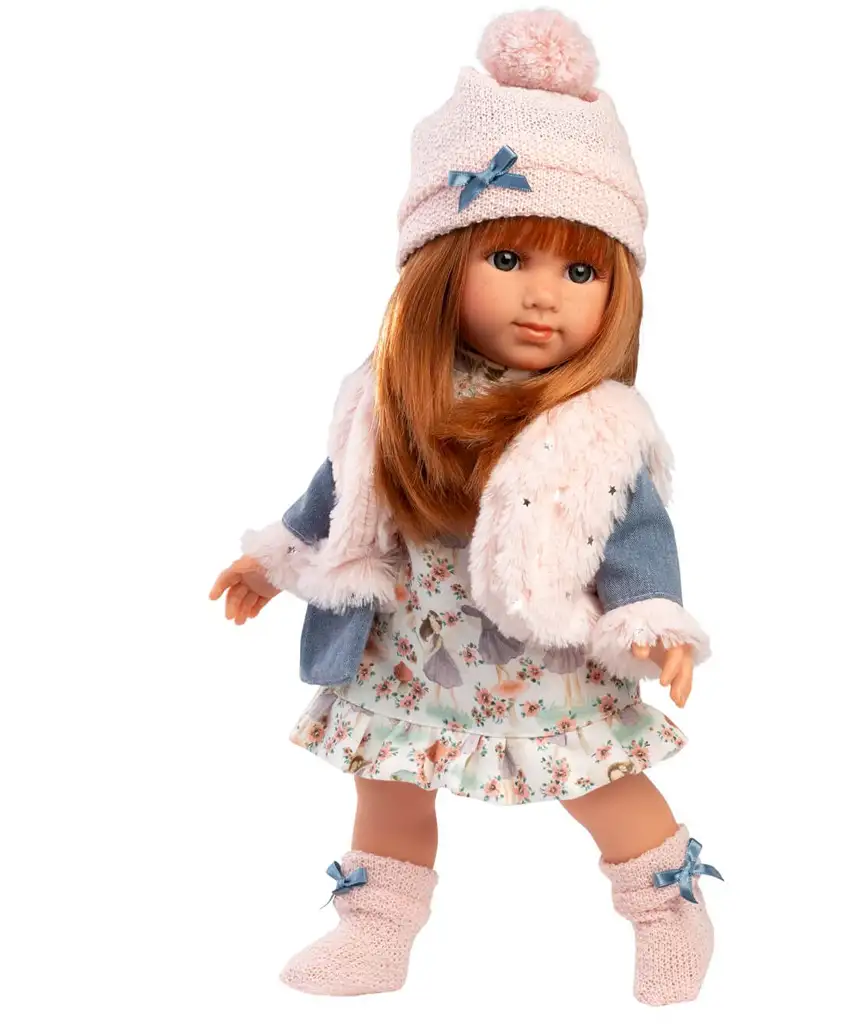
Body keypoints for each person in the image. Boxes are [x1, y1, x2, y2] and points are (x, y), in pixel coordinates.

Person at [209, 8, 722, 1006]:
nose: (544, 297)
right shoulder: (388, 395)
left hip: (542, 659)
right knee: (389, 789)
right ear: (442, 263)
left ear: (616, 290)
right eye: (508, 259)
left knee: (602, 786)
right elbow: (336, 496)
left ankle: (669, 909)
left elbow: (638, 539)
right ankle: (375, 927)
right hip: (405, 655)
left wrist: (653, 623)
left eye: (580, 270)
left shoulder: (598, 425)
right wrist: (271, 561)